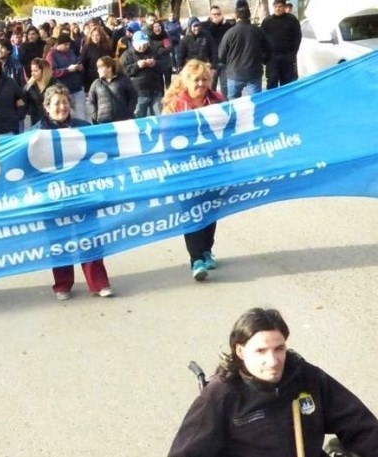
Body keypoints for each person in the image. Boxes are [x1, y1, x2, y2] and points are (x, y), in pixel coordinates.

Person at [168, 307, 378, 456]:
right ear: (240, 351)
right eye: (261, 351)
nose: (273, 361)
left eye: (279, 349)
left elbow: (360, 425)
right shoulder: (221, 394)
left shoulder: (305, 377)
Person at [30, 84, 113, 300]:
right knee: (59, 240)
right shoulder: (36, 134)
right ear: (47, 107)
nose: (62, 107)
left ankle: (98, 282)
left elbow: (97, 157)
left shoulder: (83, 127)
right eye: (57, 103)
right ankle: (63, 284)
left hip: (83, 193)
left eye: (65, 102)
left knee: (90, 237)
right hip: (53, 196)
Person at [161, 59, 225, 280]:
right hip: (186, 170)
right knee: (192, 212)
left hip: (214, 167)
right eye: (196, 80)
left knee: (211, 209)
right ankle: (196, 259)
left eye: (205, 79)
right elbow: (167, 141)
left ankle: (207, 249)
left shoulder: (218, 101)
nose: (201, 83)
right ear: (186, 82)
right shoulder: (175, 107)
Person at [218, 5, 272, 99]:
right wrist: (264, 61)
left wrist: (227, 64)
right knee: (256, 103)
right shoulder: (258, 31)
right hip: (253, 72)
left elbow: (221, 54)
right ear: (249, 16)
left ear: (236, 16)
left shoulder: (230, 33)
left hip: (234, 73)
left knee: (233, 104)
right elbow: (269, 49)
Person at [121, 31, 164, 118]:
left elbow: (164, 65)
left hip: (155, 90)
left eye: (144, 44)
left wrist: (155, 63)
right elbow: (123, 72)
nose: (142, 47)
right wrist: (137, 66)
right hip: (138, 93)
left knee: (159, 116)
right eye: (139, 44)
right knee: (139, 117)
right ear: (133, 43)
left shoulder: (154, 51)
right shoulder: (126, 55)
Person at [260, 0, 301, 89]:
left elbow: (297, 37)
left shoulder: (292, 20)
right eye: (276, 7)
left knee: (287, 82)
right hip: (272, 58)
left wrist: (293, 53)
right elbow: (261, 39)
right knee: (272, 82)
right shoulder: (267, 21)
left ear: (284, 7)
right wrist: (264, 56)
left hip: (287, 57)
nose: (278, 9)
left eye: (280, 6)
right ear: (273, 8)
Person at [46, 34, 86, 120]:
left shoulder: (70, 52)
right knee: (66, 116)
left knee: (81, 116)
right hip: (63, 90)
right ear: (58, 44)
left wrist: (79, 67)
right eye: (65, 44)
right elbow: (52, 72)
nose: (67, 47)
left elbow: (77, 61)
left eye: (69, 44)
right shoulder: (51, 55)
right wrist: (67, 70)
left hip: (77, 88)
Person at [87, 56, 136, 124]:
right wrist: (96, 116)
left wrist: (129, 112)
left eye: (100, 67)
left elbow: (133, 97)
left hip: (123, 119)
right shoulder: (96, 83)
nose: (98, 70)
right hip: (103, 121)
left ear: (109, 68)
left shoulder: (123, 80)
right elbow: (91, 101)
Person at [204, 5, 234, 98]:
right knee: (211, 87)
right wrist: (214, 24)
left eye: (218, 14)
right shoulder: (206, 25)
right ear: (210, 15)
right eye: (214, 14)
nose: (216, 16)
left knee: (225, 87)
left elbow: (232, 30)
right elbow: (206, 34)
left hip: (224, 61)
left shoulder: (225, 25)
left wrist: (226, 23)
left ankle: (226, 105)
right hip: (211, 62)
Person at [80, 27, 114, 93]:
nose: (95, 37)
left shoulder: (106, 46)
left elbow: (111, 60)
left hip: (106, 76)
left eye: (97, 35)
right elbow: (83, 64)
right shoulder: (86, 48)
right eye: (93, 35)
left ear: (101, 36)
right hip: (92, 78)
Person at [23, 58, 56, 126]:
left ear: (44, 71)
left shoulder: (54, 84)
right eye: (32, 71)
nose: (32, 73)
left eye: (35, 71)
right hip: (36, 121)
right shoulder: (29, 86)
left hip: (53, 120)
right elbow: (24, 103)